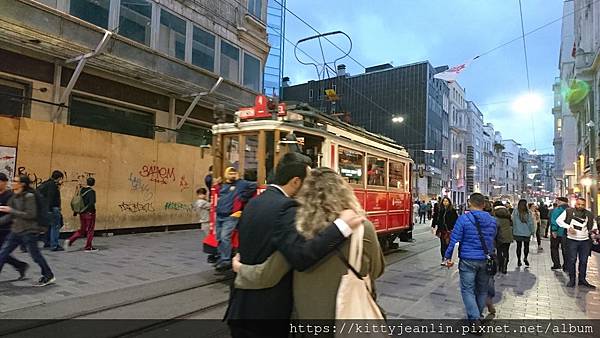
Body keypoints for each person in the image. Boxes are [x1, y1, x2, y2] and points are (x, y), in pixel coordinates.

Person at [224, 154, 364, 337]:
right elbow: (301, 256)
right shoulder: (286, 208)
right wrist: (341, 227)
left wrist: (239, 268)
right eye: (307, 182)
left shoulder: (255, 202)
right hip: (267, 313)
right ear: (296, 182)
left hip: (241, 306)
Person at [444, 193, 497, 322]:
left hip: (468, 260)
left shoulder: (463, 219)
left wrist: (448, 257)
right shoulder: (492, 220)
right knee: (482, 290)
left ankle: (474, 319)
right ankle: (478, 315)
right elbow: (493, 239)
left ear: (469, 203)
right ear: (483, 205)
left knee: (467, 290)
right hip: (485, 259)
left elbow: (455, 240)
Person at [0, 175, 55, 286]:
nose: (13, 182)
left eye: (15, 181)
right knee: (2, 254)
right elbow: (11, 215)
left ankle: (48, 275)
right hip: (16, 230)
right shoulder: (15, 196)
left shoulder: (29, 196)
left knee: (35, 256)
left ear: (22, 184)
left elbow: (30, 214)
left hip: (28, 231)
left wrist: (11, 210)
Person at [213, 167, 257, 272]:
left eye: (234, 173)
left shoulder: (240, 184)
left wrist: (243, 198)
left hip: (231, 215)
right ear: (226, 174)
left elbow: (254, 185)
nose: (232, 175)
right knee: (219, 238)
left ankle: (225, 260)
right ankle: (221, 257)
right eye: (230, 173)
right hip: (220, 214)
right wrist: (216, 184)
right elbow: (217, 192)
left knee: (224, 237)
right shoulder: (223, 185)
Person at [557, 197, 596, 288]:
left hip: (585, 240)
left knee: (583, 261)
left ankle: (582, 279)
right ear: (575, 204)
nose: (580, 206)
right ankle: (572, 279)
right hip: (572, 240)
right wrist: (568, 227)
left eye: (582, 204)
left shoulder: (589, 214)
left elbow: (593, 224)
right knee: (572, 260)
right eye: (579, 204)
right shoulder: (568, 211)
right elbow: (559, 221)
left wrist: (592, 230)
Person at [0, 173, 28, 279]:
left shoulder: (10, 196)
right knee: (3, 253)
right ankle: (20, 265)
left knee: (2, 253)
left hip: (7, 229)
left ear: (4, 182)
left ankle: (20, 265)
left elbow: (12, 214)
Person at [64, 178, 97, 252]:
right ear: (93, 183)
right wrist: (86, 210)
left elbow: (78, 201)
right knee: (90, 230)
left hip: (81, 214)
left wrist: (77, 211)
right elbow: (91, 203)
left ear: (87, 182)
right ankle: (88, 247)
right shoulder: (92, 192)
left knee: (82, 230)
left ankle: (70, 240)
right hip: (90, 213)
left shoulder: (81, 190)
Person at [38, 170, 64, 251]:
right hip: (53, 208)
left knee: (49, 226)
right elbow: (51, 198)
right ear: (59, 178)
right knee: (55, 226)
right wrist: (50, 209)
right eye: (61, 178)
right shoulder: (52, 185)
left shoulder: (45, 184)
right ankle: (54, 245)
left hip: (46, 209)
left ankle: (47, 242)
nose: (61, 180)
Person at [431, 196, 458, 265]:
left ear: (449, 202)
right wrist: (433, 226)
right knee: (443, 245)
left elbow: (456, 220)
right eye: (444, 201)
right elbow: (435, 218)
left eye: (446, 201)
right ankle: (444, 258)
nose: (445, 202)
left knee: (449, 245)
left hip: (449, 231)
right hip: (442, 230)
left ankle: (448, 258)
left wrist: (454, 229)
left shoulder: (452, 210)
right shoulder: (440, 210)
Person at [512, 199, 535, 268]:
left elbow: (513, 221)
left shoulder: (515, 211)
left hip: (517, 232)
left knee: (518, 247)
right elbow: (531, 223)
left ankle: (518, 260)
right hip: (526, 232)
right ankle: (525, 257)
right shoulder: (528, 212)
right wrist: (532, 231)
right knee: (526, 246)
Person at [493, 201, 513, 274]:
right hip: (508, 237)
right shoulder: (508, 219)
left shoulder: (495, 219)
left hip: (499, 237)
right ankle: (505, 267)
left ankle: (500, 266)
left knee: (499, 251)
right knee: (506, 252)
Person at [549, 197, 569, 271]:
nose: (556, 202)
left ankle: (556, 264)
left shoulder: (557, 209)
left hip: (557, 232)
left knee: (554, 248)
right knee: (566, 250)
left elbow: (554, 220)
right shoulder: (570, 210)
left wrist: (554, 230)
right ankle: (566, 266)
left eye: (557, 200)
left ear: (561, 201)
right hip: (567, 232)